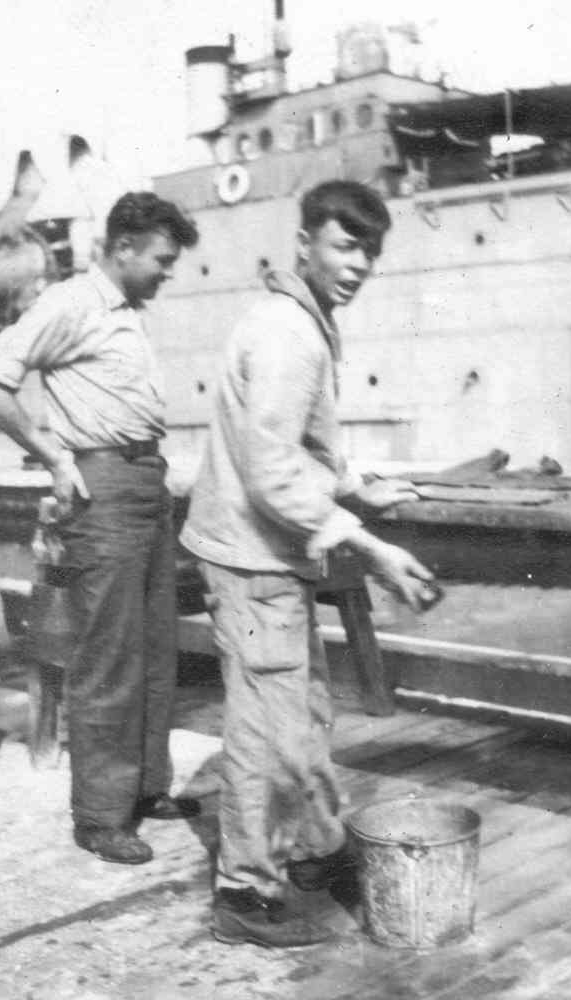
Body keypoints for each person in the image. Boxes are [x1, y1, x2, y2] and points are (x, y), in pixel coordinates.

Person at [180, 179, 435, 946]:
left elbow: (305, 444)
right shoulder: (290, 331)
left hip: (266, 555)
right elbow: (271, 470)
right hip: (252, 561)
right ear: (305, 245)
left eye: (371, 251)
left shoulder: (301, 317)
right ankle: (244, 896)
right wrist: (370, 542)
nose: (359, 264)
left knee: (303, 712)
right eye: (346, 245)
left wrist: (357, 485)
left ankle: (316, 854)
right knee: (266, 731)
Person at [0, 192, 200, 865]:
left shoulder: (126, 313)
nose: (168, 272)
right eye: (161, 259)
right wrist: (53, 458)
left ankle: (145, 788)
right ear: (123, 247)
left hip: (144, 485)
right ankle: (100, 817)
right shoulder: (73, 303)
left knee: (156, 648)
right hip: (101, 493)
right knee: (108, 657)